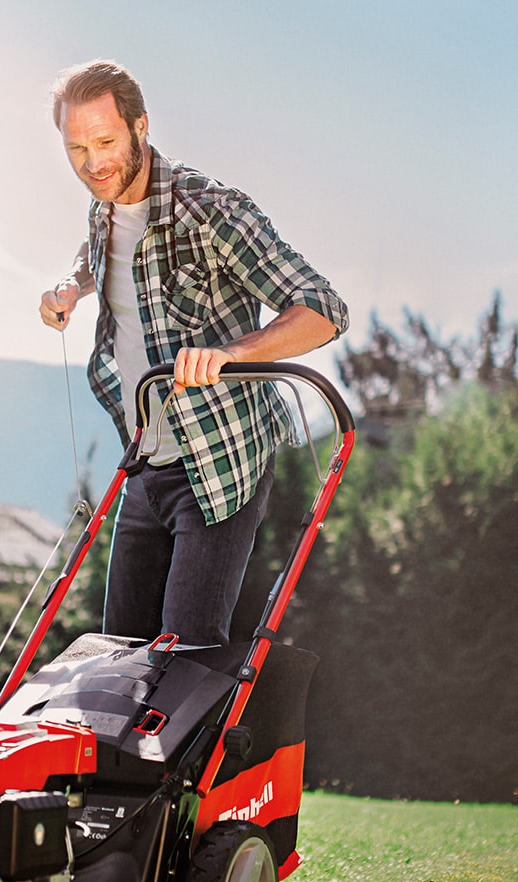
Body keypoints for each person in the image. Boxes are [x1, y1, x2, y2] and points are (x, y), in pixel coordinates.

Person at [39, 59, 349, 648]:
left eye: (105, 142)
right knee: (117, 663)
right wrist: (71, 288)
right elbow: (97, 252)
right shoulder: (102, 206)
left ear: (140, 127)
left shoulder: (210, 209)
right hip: (144, 463)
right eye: (76, 148)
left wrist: (230, 354)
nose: (93, 163)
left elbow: (324, 308)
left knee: (183, 662)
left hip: (218, 464)